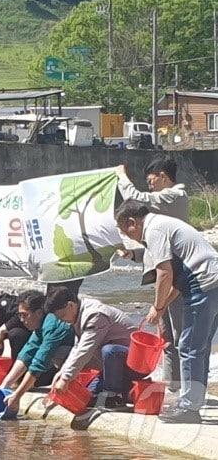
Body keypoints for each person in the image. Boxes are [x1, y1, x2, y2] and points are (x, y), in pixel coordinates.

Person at [116, 200, 218, 423]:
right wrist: (160, 308)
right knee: (198, 347)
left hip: (202, 283)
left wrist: (157, 307)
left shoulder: (154, 229)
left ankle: (189, 408)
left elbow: (164, 272)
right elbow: (178, 281)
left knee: (189, 347)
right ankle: (192, 402)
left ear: (132, 222)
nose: (131, 238)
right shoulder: (165, 224)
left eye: (127, 232)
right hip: (211, 281)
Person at [116, 159, 190, 396]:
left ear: (164, 177)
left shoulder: (174, 197)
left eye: (151, 180)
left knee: (179, 338)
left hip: (178, 281)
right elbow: (157, 250)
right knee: (167, 339)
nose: (149, 186)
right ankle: (174, 389)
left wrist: (121, 177)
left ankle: (186, 392)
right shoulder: (161, 215)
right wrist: (134, 254)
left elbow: (136, 199)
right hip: (170, 279)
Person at [47, 287, 138, 410]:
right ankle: (121, 388)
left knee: (109, 350)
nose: (62, 320)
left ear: (70, 305)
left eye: (62, 316)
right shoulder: (77, 315)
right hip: (110, 365)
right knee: (89, 397)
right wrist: (62, 373)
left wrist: (65, 378)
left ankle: (114, 397)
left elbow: (85, 350)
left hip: (133, 363)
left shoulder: (95, 315)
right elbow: (77, 347)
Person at [1, 290, 75, 416]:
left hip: (78, 362)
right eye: (20, 316)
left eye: (25, 315)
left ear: (39, 312)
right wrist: (4, 386)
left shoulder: (52, 324)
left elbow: (40, 361)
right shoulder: (40, 325)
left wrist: (18, 396)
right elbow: (27, 353)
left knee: (55, 354)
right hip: (59, 365)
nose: (22, 320)